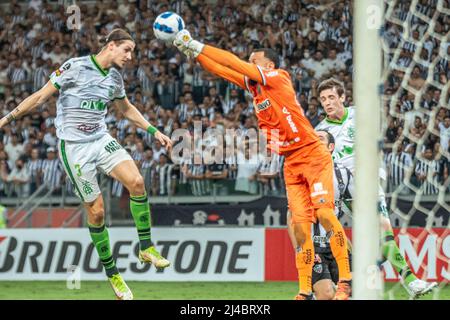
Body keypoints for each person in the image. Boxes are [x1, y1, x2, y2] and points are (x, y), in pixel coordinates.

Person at [173, 31, 352, 300]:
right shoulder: (255, 87)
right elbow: (222, 70)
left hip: (312, 153)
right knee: (301, 228)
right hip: (291, 161)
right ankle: (304, 290)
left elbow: (233, 62)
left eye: (254, 60)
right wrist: (194, 53)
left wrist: (197, 44)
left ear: (268, 65)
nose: (249, 63)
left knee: (325, 215)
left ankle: (346, 280)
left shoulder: (278, 77)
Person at [0, 29, 173, 300]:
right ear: (111, 45)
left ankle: (146, 247)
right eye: (127, 50)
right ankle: (114, 275)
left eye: (133, 52)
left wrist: (154, 131)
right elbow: (40, 96)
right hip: (75, 148)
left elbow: (126, 109)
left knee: (137, 182)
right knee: (97, 213)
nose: (130, 56)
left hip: (100, 139)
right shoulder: (74, 67)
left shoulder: (115, 78)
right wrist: (5, 119)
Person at [315, 77, 437, 298]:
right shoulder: (321, 131)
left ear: (342, 97)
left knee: (383, 231)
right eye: (323, 99)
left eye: (332, 97)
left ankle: (410, 281)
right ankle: (343, 280)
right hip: (344, 190)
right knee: (336, 236)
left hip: (369, 182)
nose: (327, 102)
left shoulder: (359, 114)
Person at [287, 130, 353, 300]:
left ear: (331, 147)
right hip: (314, 247)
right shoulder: (301, 174)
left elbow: (355, 208)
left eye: (320, 138)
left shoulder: (343, 174)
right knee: (326, 294)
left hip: (337, 245)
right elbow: (291, 216)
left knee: (355, 291)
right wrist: (299, 250)